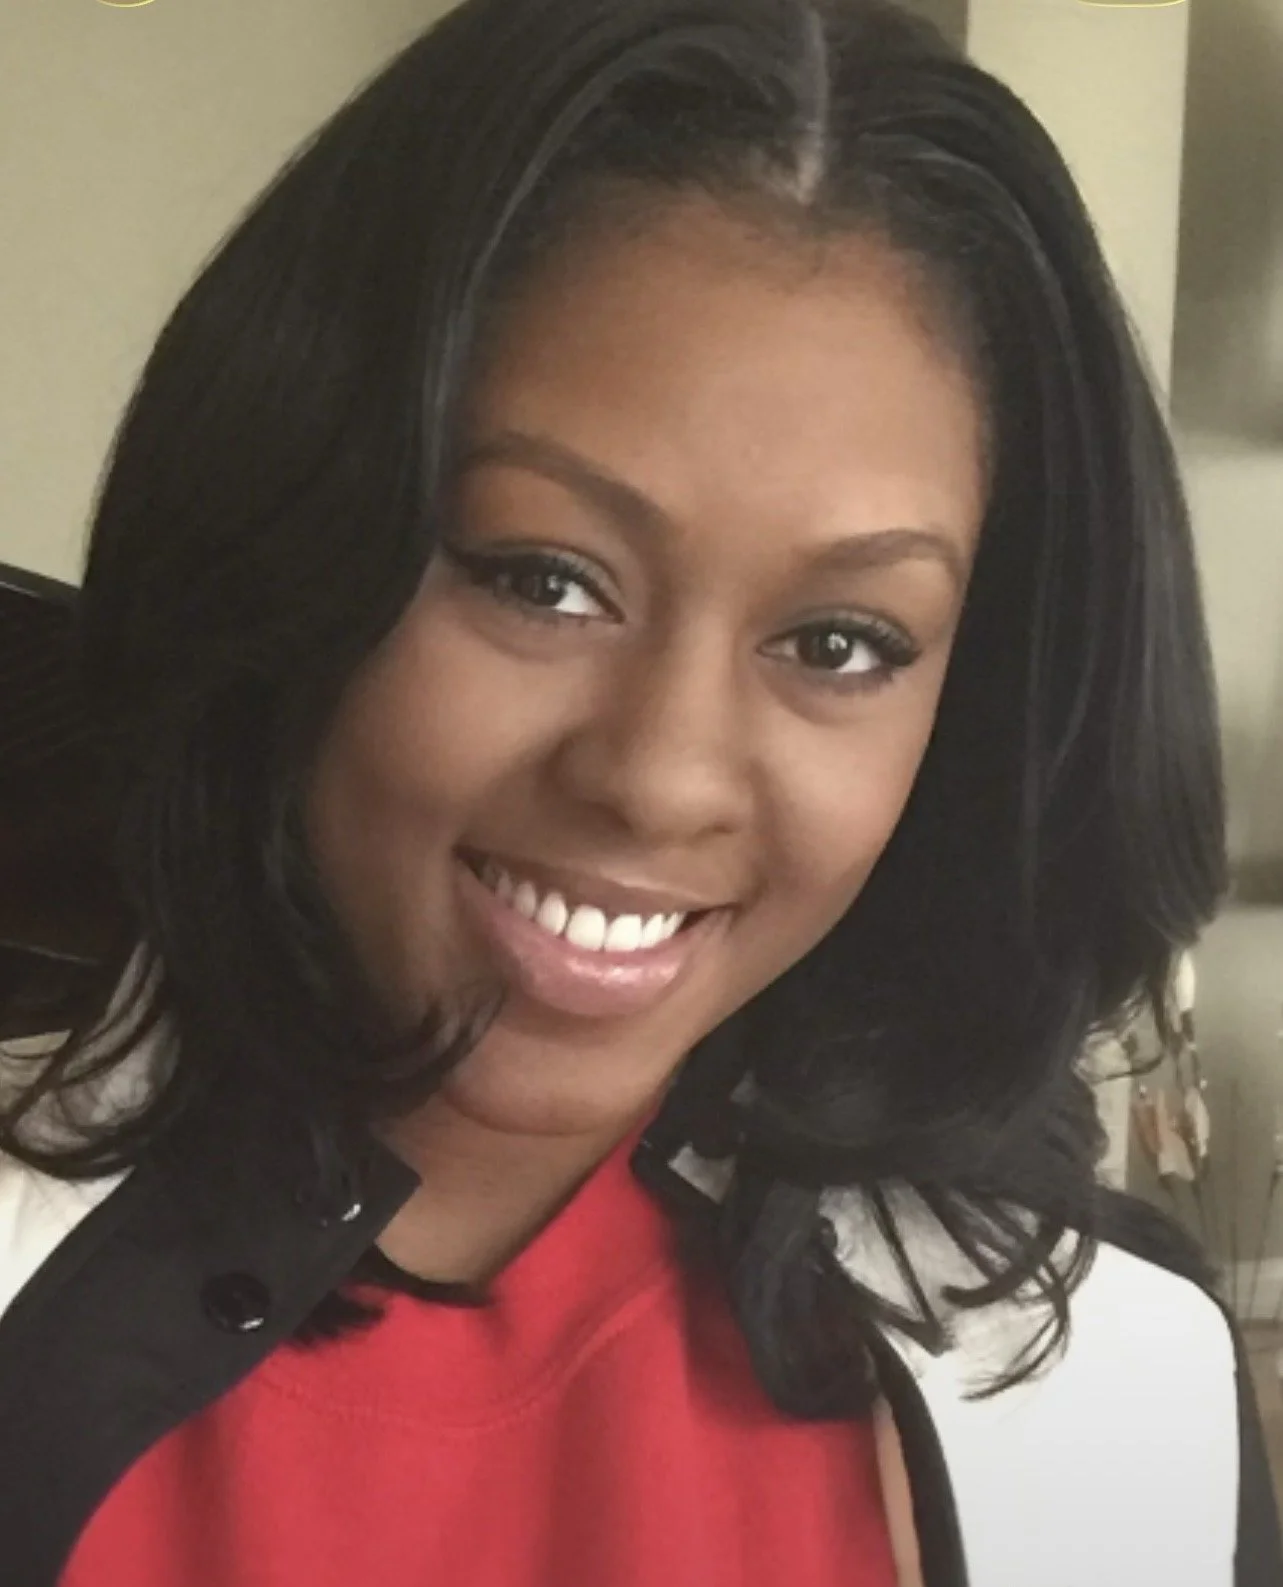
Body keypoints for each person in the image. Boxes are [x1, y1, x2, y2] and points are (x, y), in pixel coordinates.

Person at [0, 1, 1277, 1582]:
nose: (660, 778)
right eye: (541, 577)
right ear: (291, 531)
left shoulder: (1115, 1405)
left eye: (839, 641)